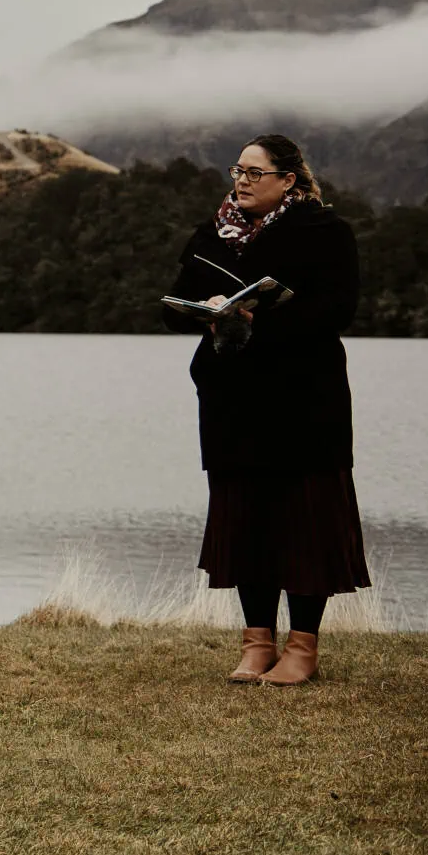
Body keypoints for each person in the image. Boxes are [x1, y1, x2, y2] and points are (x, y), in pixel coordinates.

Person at [162, 134, 369, 688]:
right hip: (232, 398)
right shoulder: (212, 235)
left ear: (289, 180)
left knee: (304, 521)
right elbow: (173, 303)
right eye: (238, 170)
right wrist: (203, 312)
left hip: (304, 398)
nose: (242, 181)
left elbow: (338, 308)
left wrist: (262, 320)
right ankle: (257, 644)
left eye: (256, 173)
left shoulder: (325, 232)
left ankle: (302, 649)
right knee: (245, 519)